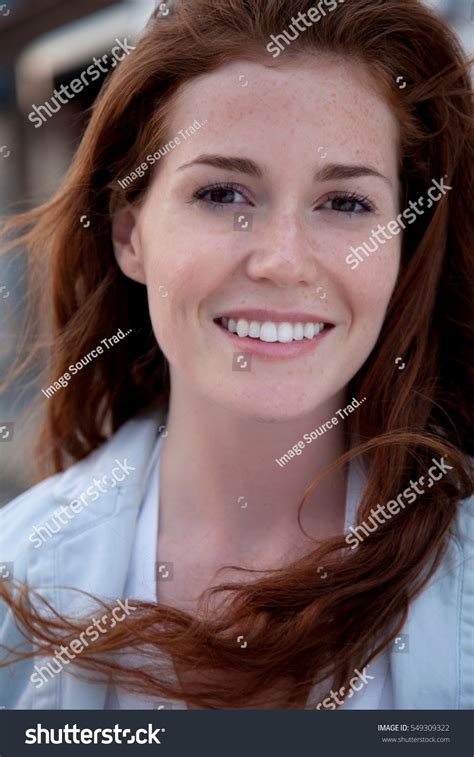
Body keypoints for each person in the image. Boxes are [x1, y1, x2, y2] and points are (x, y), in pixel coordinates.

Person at [0, 0, 472, 710]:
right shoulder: (13, 573)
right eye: (222, 193)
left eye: (345, 203)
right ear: (130, 233)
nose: (283, 261)